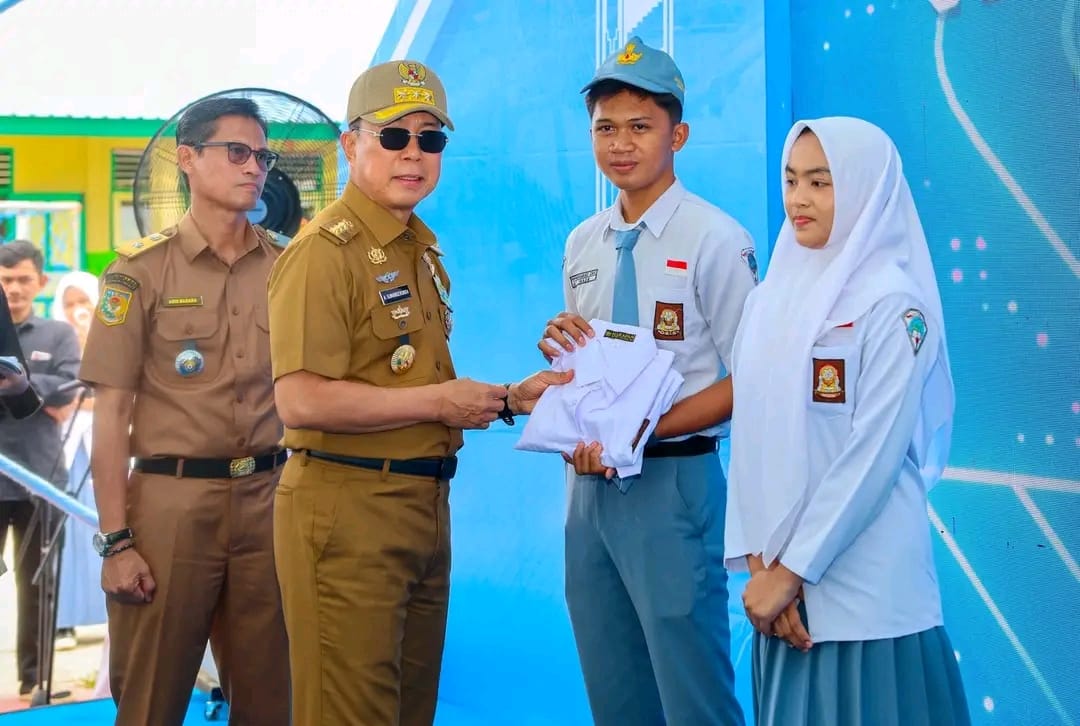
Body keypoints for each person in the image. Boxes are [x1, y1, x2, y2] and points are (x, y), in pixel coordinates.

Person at [268, 59, 571, 726]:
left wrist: (509, 398)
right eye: (393, 135)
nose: (414, 154)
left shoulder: (414, 248)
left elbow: (412, 381)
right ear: (351, 145)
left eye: (430, 139)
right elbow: (302, 401)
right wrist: (438, 403)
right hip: (347, 512)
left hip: (421, 508)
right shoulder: (324, 252)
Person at [538, 37, 755, 726]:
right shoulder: (583, 242)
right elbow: (585, 363)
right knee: (614, 690)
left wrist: (647, 428)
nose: (620, 144)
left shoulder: (716, 240)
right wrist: (560, 354)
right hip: (590, 491)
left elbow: (754, 378)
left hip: (673, 484)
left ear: (678, 134)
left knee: (693, 693)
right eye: (605, 127)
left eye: (640, 126)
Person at [725, 116, 969, 726]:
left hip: (869, 591)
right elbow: (748, 437)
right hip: (780, 595)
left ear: (866, 188)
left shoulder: (893, 305)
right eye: (790, 180)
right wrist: (761, 563)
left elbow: (874, 456)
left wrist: (792, 571)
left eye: (821, 182)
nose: (798, 199)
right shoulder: (768, 300)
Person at [78, 97, 291, 726]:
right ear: (188, 159)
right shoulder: (138, 271)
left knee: (274, 701)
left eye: (262, 155)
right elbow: (110, 416)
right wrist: (117, 542)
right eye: (237, 152)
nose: (254, 168)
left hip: (270, 502)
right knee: (150, 702)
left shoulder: (289, 267)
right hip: (170, 509)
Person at [0, 241, 81, 700]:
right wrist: (31, 394)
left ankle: (37, 683)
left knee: (40, 586)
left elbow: (68, 392)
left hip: (44, 480)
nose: (14, 288)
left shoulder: (58, 334)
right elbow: (47, 397)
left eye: (23, 279)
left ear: (40, 282)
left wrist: (21, 386)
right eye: (6, 279)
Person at [49, 271, 105, 650]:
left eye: (83, 301)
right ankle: (62, 621)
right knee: (65, 535)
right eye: (69, 304)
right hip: (65, 447)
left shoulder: (108, 337)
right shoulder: (55, 342)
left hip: (101, 443)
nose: (77, 311)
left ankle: (102, 614)